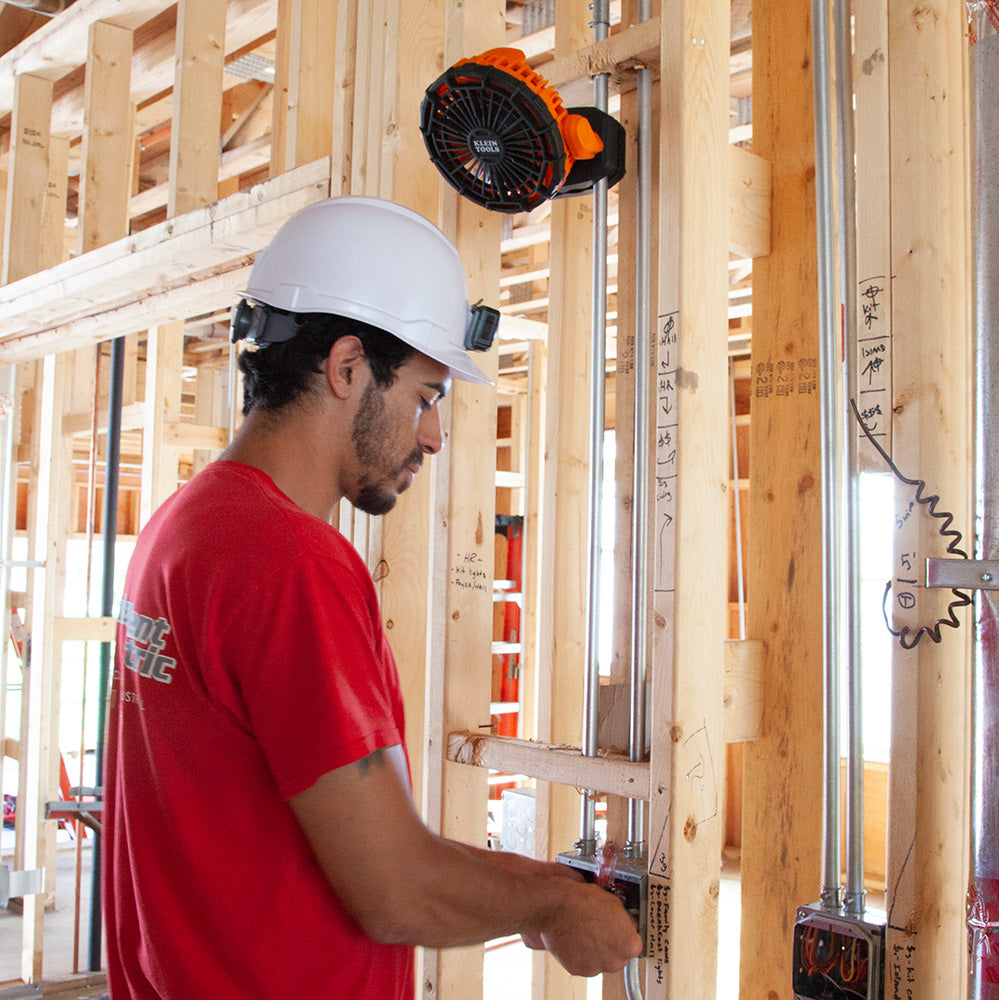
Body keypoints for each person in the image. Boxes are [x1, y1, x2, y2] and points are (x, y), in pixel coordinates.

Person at [102, 196, 642, 1000]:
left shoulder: (185, 526)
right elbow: (395, 890)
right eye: (426, 396)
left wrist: (533, 889)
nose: (433, 434)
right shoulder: (292, 563)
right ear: (347, 367)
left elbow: (342, 838)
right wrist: (560, 908)